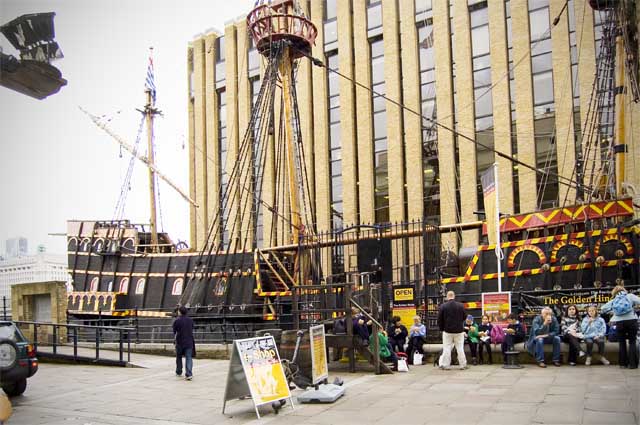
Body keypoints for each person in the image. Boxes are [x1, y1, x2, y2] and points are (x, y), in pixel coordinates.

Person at [600, 285, 640, 369]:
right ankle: (633, 364)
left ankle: (623, 364)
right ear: (624, 290)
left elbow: (603, 308)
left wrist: (613, 311)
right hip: (632, 320)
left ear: (614, 292)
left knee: (622, 343)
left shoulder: (614, 300)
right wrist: (634, 308)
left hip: (619, 322)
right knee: (632, 342)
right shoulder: (630, 296)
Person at [437, 291, 467, 369]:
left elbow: (439, 319)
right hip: (459, 330)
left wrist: (442, 328)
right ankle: (463, 364)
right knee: (460, 348)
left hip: (447, 330)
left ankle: (446, 365)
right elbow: (464, 316)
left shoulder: (443, 306)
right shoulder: (460, 306)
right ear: (454, 296)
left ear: (447, 296)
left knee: (447, 348)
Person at [173, 306, 195, 380]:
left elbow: (174, 331)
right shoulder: (190, 320)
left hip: (180, 341)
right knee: (188, 357)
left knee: (179, 357)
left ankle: (179, 371)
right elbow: (192, 328)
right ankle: (189, 374)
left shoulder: (177, 320)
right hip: (189, 341)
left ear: (180, 312)